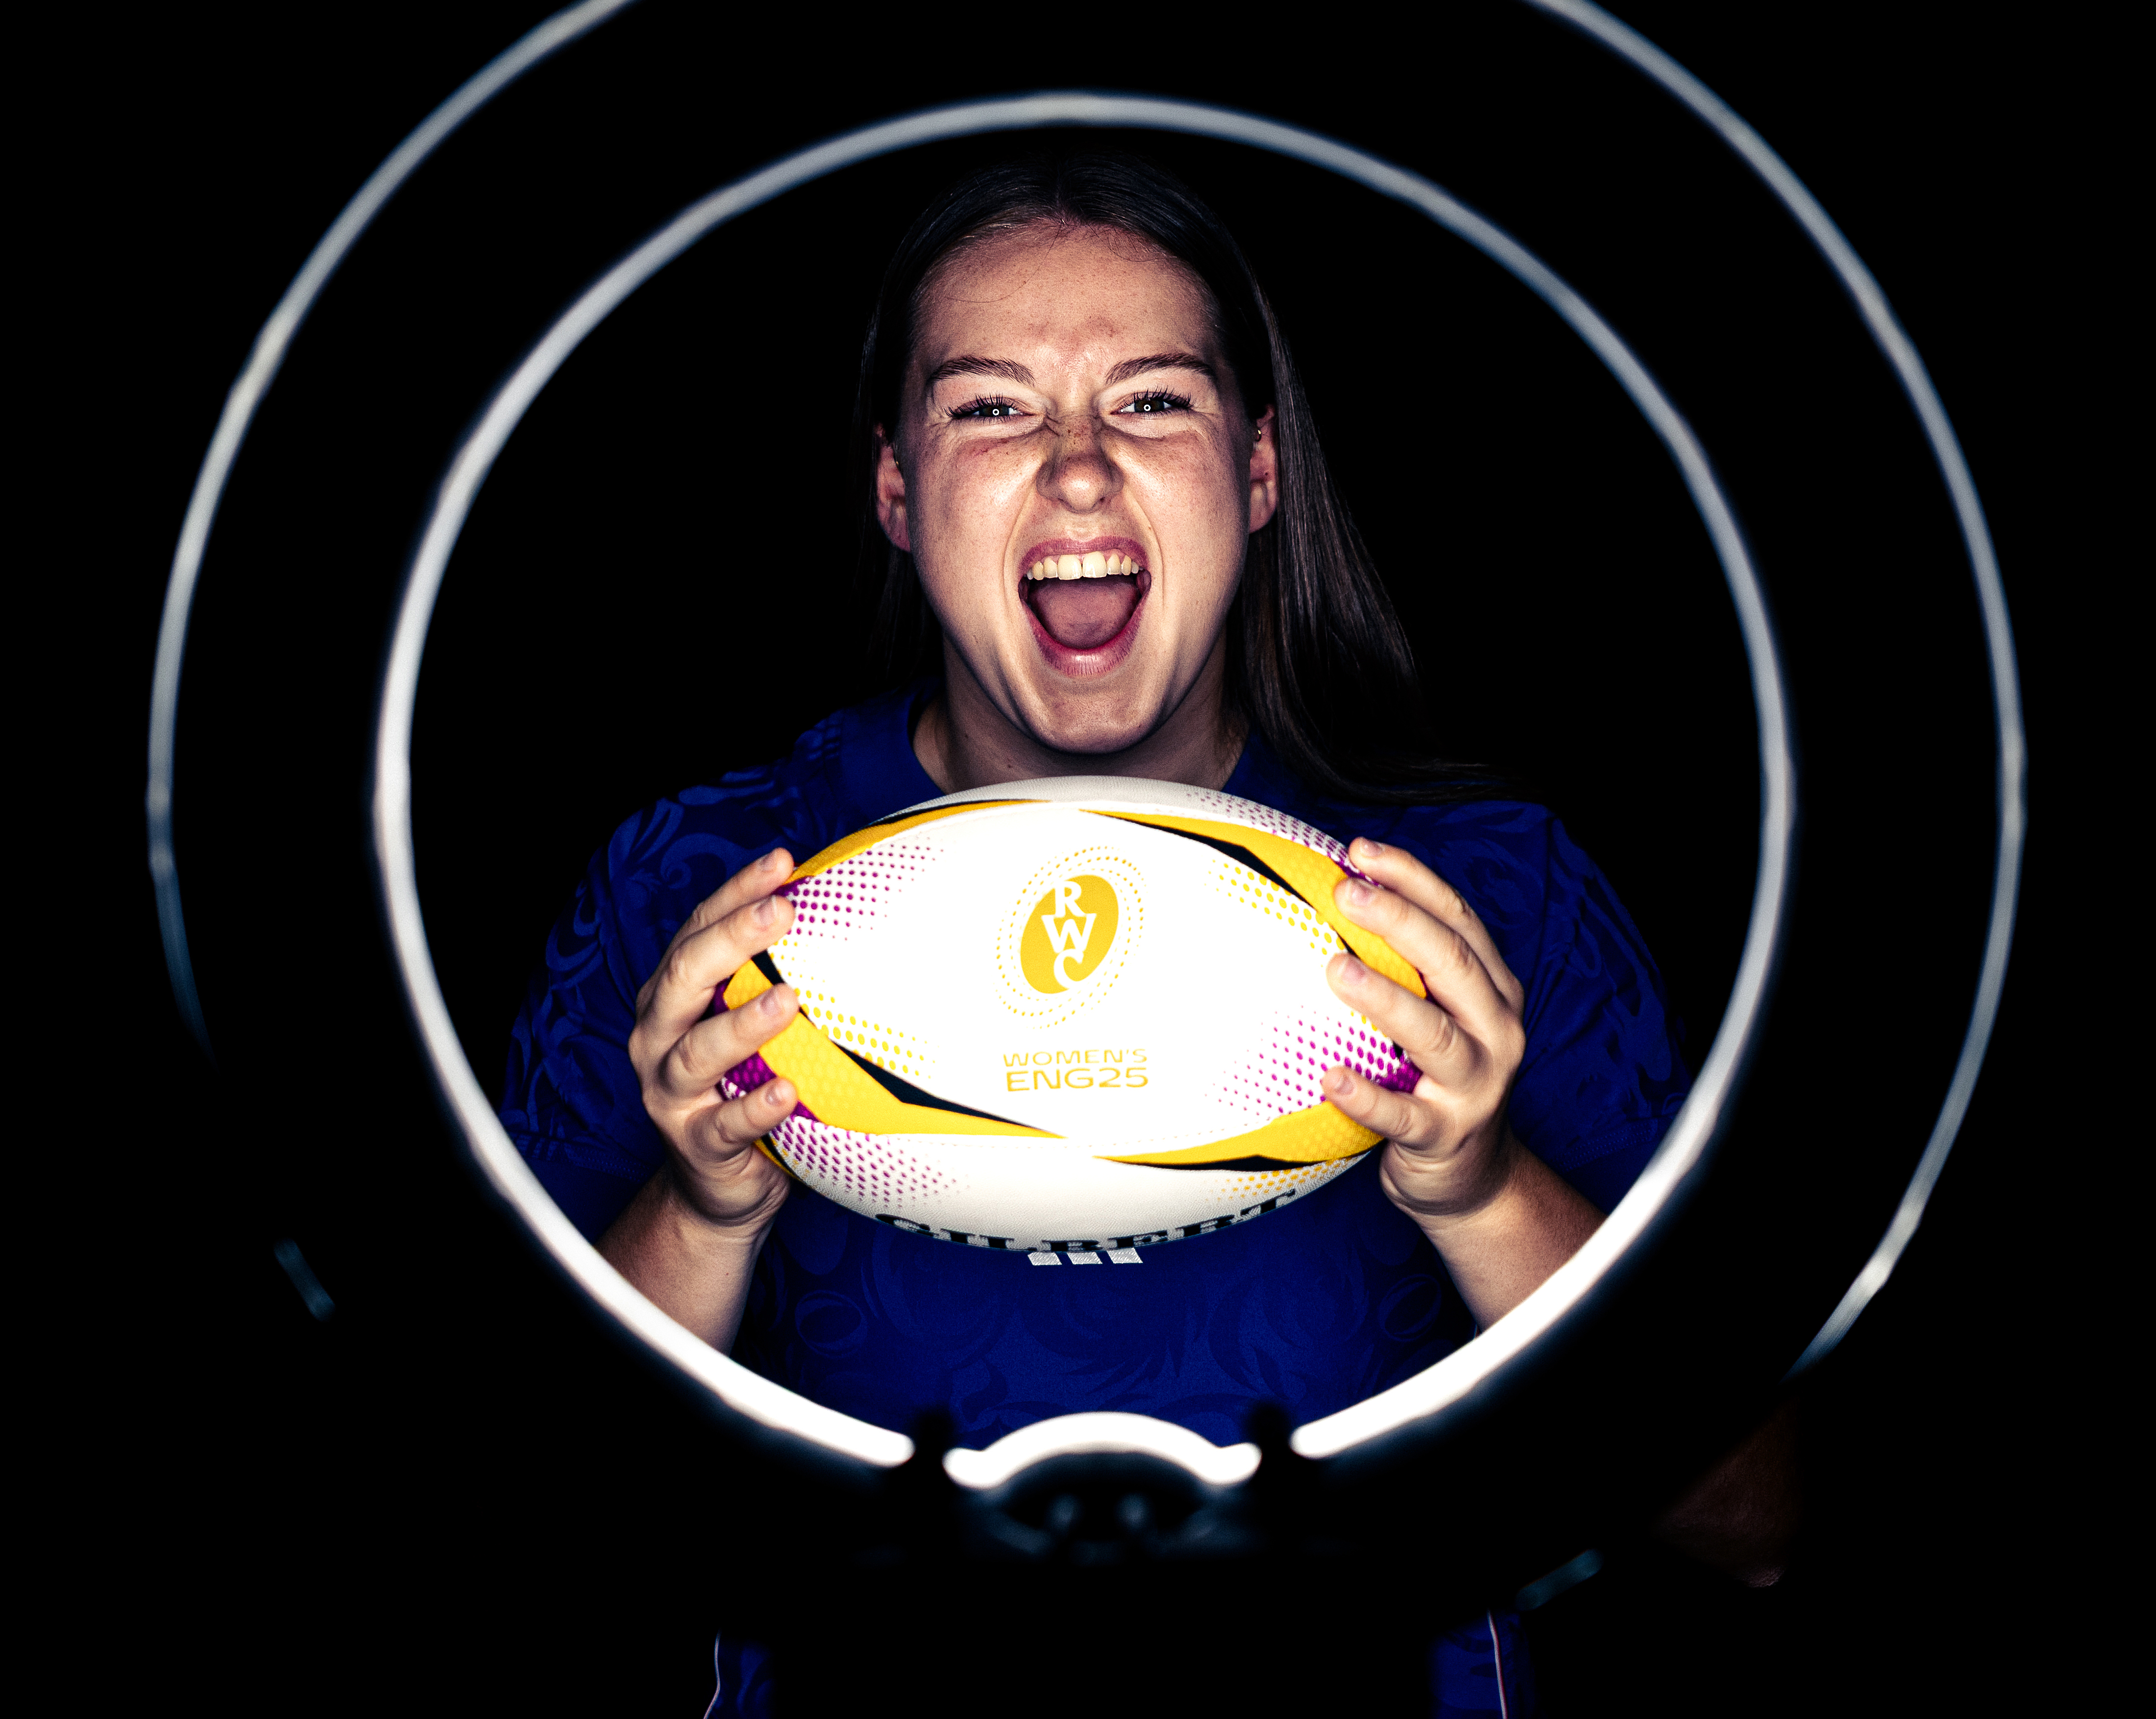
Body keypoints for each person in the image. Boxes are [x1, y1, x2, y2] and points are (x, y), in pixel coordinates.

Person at [500, 149, 1791, 1714]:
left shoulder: (1479, 894)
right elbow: (512, 1531)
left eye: (1153, 400)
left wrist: (1484, 1190)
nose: (1080, 469)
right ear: (896, 485)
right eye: (990, 406)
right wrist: (699, 1217)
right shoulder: (699, 893)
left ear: (1256, 475)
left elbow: (1758, 1521)